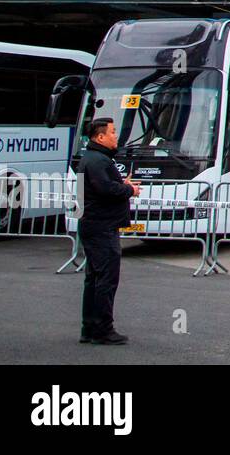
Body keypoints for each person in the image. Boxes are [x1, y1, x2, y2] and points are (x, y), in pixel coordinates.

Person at [76, 117, 140, 346]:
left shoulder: (93, 159)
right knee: (105, 279)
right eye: (113, 132)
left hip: (94, 225)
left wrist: (122, 186)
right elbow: (105, 189)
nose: (116, 136)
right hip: (101, 227)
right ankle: (103, 329)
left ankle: (90, 327)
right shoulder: (98, 161)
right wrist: (128, 189)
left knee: (94, 279)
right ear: (100, 137)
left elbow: (98, 188)